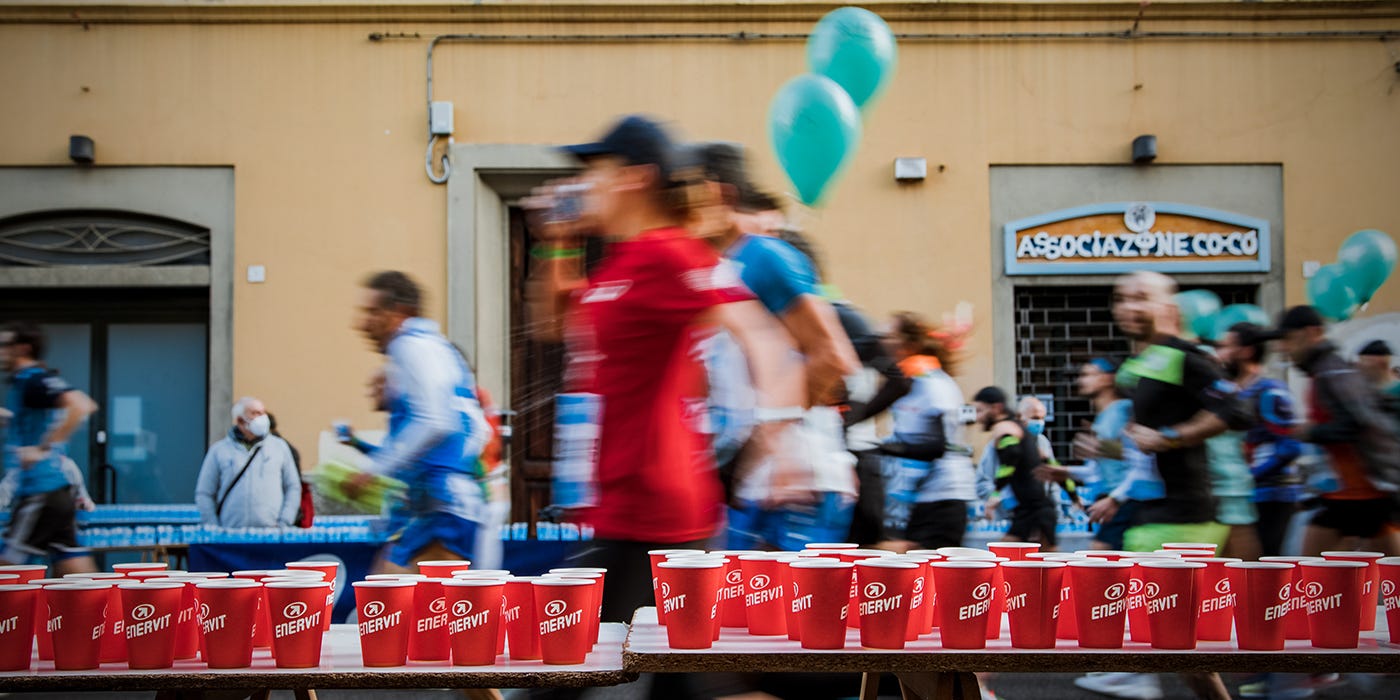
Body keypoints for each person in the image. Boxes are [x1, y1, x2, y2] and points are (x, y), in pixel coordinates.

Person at [524, 115, 805, 629]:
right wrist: (558, 240)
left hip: (659, 510)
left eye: (597, 170)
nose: (585, 185)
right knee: (679, 681)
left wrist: (776, 438)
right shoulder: (620, 262)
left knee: (565, 665)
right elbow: (555, 323)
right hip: (620, 502)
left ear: (635, 177)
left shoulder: (673, 253)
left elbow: (763, 336)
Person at [1075, 272, 1242, 700]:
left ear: (1168, 308)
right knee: (1181, 656)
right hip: (1149, 518)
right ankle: (1133, 674)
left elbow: (1236, 410)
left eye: (1141, 298)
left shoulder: (1184, 356)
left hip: (1181, 520)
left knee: (1162, 646)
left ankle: (1132, 675)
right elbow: (1143, 449)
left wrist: (1174, 436)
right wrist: (1110, 457)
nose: (1128, 307)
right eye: (1122, 298)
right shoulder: (1135, 367)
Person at [686, 141, 860, 550]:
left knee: (791, 616)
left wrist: (772, 437)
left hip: (799, 485)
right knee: (733, 613)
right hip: (751, 486)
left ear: (716, 193)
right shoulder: (710, 268)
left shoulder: (763, 257)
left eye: (682, 193)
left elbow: (834, 356)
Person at [351, 270, 494, 574]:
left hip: (441, 503)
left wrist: (374, 470)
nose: (362, 324)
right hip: (440, 501)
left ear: (399, 313)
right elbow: (474, 427)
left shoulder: (409, 346)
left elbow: (436, 420)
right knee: (392, 598)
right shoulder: (435, 346)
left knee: (397, 601)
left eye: (373, 312)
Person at [1267, 306, 1400, 556]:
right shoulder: (1326, 370)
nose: (1283, 348)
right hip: (1355, 492)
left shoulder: (1331, 370)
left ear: (1312, 333)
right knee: (1369, 572)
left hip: (1358, 492)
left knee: (1308, 570)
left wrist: (1310, 432)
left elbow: (1355, 424)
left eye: (1288, 339)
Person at [0, 322, 99, 575]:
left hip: (40, 493)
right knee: (77, 574)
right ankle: (103, 613)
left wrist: (43, 448)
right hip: (56, 493)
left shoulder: (33, 379)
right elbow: (33, 423)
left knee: (5, 568)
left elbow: (81, 405)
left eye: (5, 345)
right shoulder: (25, 385)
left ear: (23, 348)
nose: (1, 352)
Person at [877, 312, 976, 550]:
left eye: (890, 336)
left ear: (908, 345)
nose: (883, 342)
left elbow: (936, 446)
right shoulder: (908, 383)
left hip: (945, 497)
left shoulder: (933, 384)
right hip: (921, 498)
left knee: (924, 574)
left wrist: (883, 447)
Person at [1217, 322, 1303, 557]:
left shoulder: (1270, 391)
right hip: (1242, 497)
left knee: (1261, 572)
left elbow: (1290, 447)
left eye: (1225, 346)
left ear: (1246, 351)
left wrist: (1250, 477)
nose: (1220, 353)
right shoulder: (1231, 392)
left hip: (1272, 495)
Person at [195, 396, 301, 528]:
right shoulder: (219, 451)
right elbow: (204, 492)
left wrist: (284, 521)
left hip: (271, 534)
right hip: (230, 535)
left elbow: (293, 487)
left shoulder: (279, 447)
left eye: (263, 413)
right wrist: (213, 526)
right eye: (255, 413)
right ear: (240, 420)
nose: (262, 417)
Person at [1065, 358, 1136, 550]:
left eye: (1088, 375)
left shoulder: (1123, 409)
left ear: (1108, 379)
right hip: (1111, 499)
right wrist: (1063, 471)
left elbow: (1139, 457)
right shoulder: (1102, 417)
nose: (1081, 380)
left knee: (1099, 554)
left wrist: (1115, 499)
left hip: (1127, 499)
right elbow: (1095, 470)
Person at [975, 387, 1057, 550]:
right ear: (1021, 418)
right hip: (1021, 512)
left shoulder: (1039, 442)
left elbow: (1052, 475)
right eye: (1034, 417)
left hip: (1034, 509)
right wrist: (1001, 502)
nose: (1039, 423)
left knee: (1038, 561)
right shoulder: (1003, 440)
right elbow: (984, 481)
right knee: (1018, 557)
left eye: (1041, 418)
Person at [1356, 339, 1400, 420]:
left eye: (1364, 360)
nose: (1359, 365)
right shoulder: (1362, 391)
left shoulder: (1397, 390)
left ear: (1380, 361)